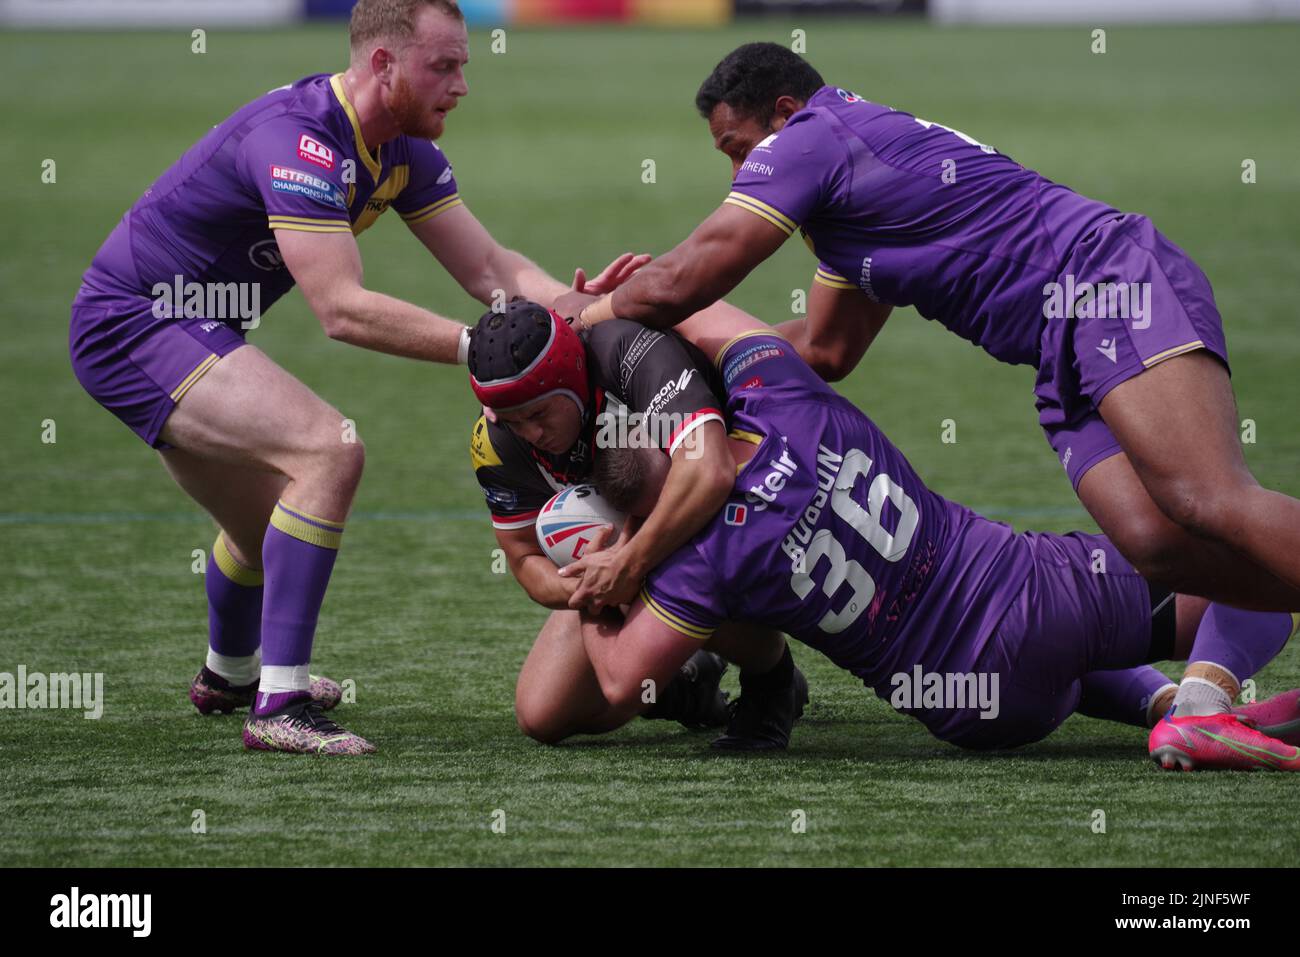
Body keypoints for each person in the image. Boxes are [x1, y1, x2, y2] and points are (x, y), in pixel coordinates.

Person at [556, 42, 1300, 728]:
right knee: (1154, 545)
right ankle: (1204, 690)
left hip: (1102, 284)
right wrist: (678, 354)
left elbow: (698, 270)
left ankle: (1201, 690)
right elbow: (825, 345)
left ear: (783, 114)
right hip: (1057, 348)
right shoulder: (848, 208)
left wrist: (592, 317)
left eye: (737, 148)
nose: (737, 172)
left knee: (1206, 500)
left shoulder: (814, 134)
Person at [69, 0, 639, 755]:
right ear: (383, 65)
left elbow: (492, 269)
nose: (462, 83)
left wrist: (589, 311)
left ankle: (230, 674)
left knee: (263, 517)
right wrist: (487, 350)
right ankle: (280, 706)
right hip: (132, 324)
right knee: (328, 450)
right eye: (445, 65)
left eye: (463, 64)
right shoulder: (298, 141)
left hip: (190, 325)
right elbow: (341, 309)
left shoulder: (402, 147)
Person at [569, 306, 1300, 770]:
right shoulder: (783, 400)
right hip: (1029, 597)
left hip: (974, 712)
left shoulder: (698, 563)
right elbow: (704, 314)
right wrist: (613, 315)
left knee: (1069, 664)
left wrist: (602, 568)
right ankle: (1201, 708)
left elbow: (615, 681)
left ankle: (1159, 703)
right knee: (1254, 577)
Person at [467, 300, 807, 749]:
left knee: (684, 550)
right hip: (625, 556)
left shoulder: (627, 352)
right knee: (542, 714)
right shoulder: (495, 442)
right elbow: (524, 558)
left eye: (538, 414)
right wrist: (587, 586)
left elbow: (709, 474)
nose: (531, 434)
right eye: (513, 420)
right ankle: (686, 688)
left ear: (570, 378)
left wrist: (629, 562)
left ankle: (772, 677)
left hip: (732, 509)